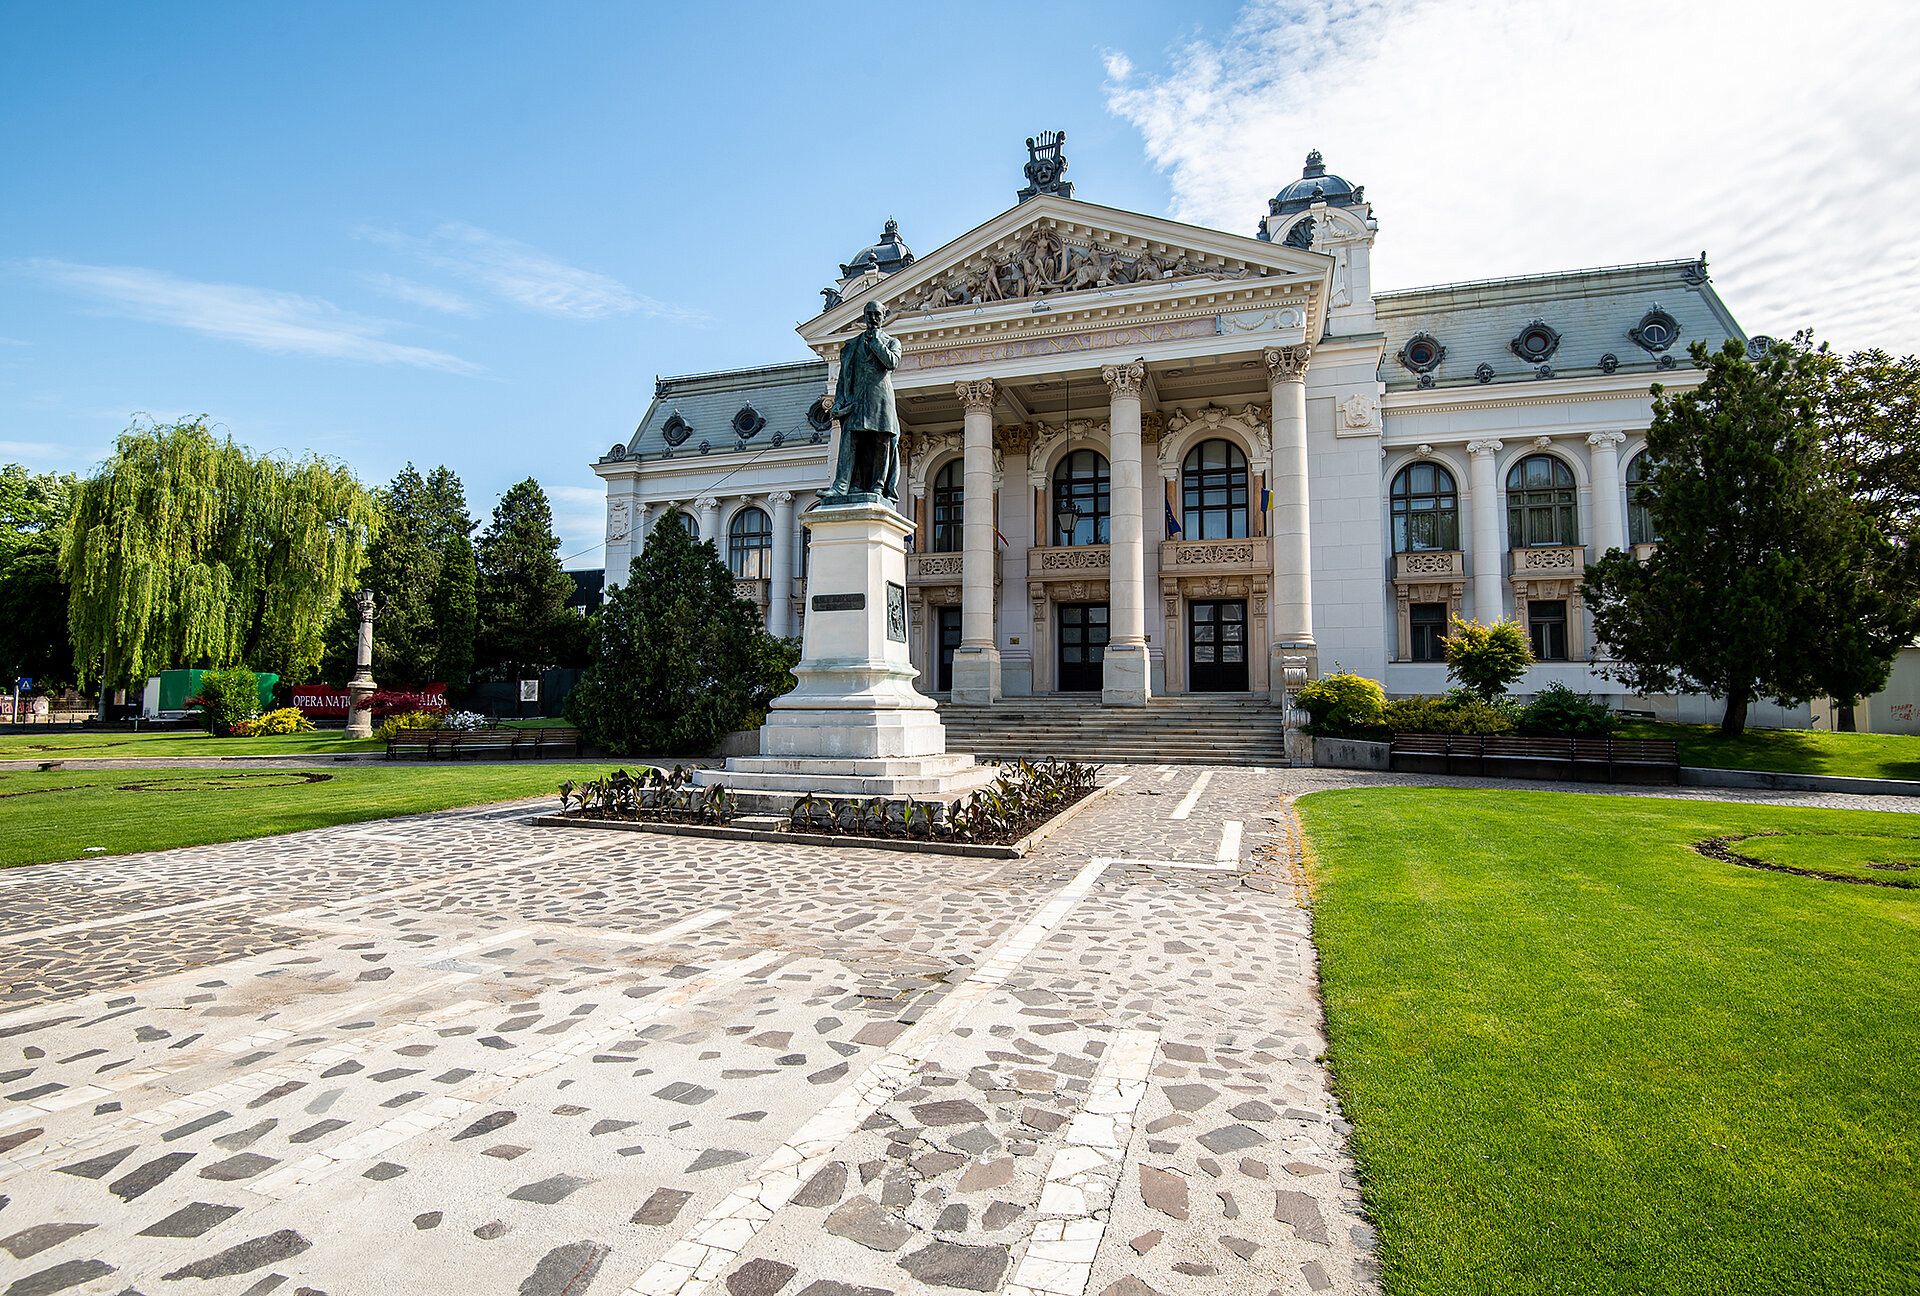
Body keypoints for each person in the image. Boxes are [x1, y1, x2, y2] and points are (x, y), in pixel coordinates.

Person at [826, 301, 902, 503]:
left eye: (877, 314)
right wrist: (838, 402)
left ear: (883, 316)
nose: (873, 318)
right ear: (864, 316)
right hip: (856, 401)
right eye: (870, 314)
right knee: (851, 442)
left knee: (881, 443)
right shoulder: (852, 345)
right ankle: (842, 485)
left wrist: (876, 342)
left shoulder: (892, 342)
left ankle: (878, 486)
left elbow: (891, 362)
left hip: (881, 399)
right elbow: (843, 377)